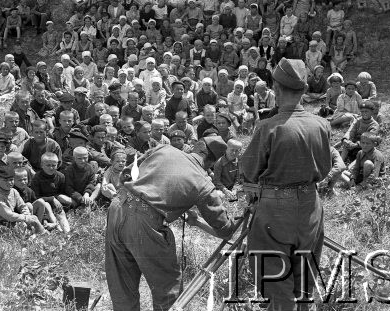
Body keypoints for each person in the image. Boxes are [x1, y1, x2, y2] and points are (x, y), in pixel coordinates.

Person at [241, 58, 332, 311]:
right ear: (304, 90)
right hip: (310, 206)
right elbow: (324, 169)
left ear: (276, 89)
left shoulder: (268, 127)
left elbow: (248, 170)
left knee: (275, 279)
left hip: (275, 211)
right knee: (304, 279)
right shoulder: (321, 125)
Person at [105, 137, 237, 311]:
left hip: (117, 206)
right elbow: (225, 229)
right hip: (145, 221)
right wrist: (198, 221)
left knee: (122, 284)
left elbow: (127, 174)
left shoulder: (164, 149)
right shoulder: (203, 182)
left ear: (196, 147)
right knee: (167, 288)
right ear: (211, 161)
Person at [0, 166, 46, 234]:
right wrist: (26, 218)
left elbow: (22, 206)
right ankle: (41, 233)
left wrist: (28, 216)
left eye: (11, 179)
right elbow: (9, 215)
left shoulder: (13, 191)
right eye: (5, 180)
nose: (9, 183)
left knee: (31, 217)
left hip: (8, 222)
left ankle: (40, 233)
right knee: (24, 232)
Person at [31, 152, 71, 233]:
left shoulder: (61, 176)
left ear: (58, 164)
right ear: (42, 165)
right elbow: (35, 197)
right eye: (48, 165)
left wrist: (56, 199)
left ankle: (67, 231)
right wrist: (51, 199)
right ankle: (56, 226)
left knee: (61, 213)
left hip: (57, 203)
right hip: (43, 204)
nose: (51, 168)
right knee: (47, 206)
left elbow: (63, 192)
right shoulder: (37, 178)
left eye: (54, 165)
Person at [63, 146, 99, 211]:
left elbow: (91, 183)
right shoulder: (69, 170)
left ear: (88, 157)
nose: (83, 161)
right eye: (79, 158)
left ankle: (89, 201)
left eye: (85, 158)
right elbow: (68, 188)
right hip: (74, 196)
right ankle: (83, 204)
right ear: (74, 158)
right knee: (61, 197)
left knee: (98, 186)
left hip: (86, 194)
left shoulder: (90, 168)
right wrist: (80, 198)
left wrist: (87, 193)